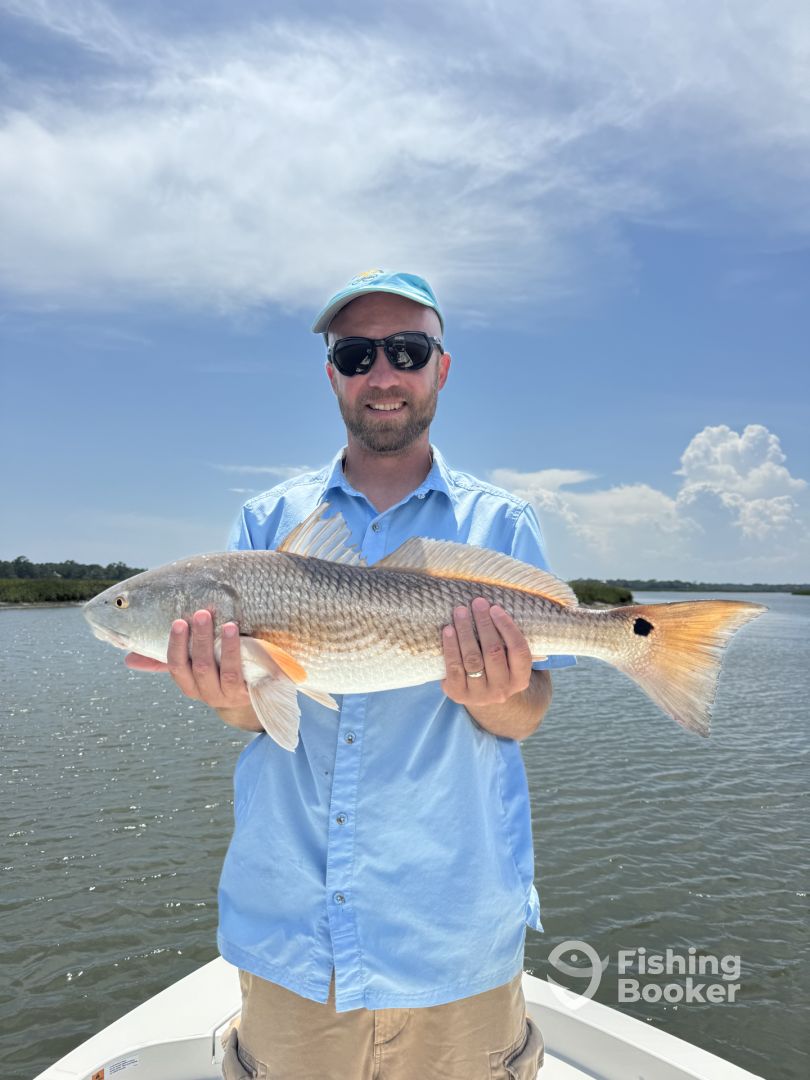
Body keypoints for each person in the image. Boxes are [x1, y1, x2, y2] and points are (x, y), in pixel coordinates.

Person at [126, 269, 575, 1079]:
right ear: (332, 374)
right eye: (356, 354)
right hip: (294, 937)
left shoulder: (501, 521)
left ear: (441, 367)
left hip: (454, 936)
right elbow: (259, 715)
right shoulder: (268, 521)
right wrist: (229, 697)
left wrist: (501, 693)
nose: (383, 373)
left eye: (407, 350)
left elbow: (530, 712)